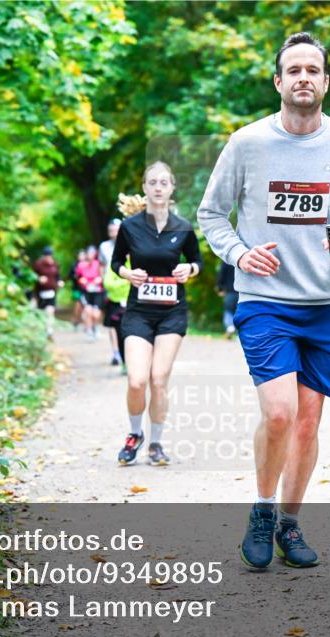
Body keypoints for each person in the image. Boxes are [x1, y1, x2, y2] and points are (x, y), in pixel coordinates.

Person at [198, 32, 330, 569]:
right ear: (278, 82)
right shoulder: (247, 142)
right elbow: (211, 215)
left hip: (326, 305)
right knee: (279, 414)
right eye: (292, 69)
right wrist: (239, 255)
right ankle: (262, 507)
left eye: (312, 70)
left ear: (325, 82)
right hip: (265, 301)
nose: (303, 77)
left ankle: (290, 525)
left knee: (307, 422)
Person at [111, 161, 202, 466]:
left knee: (158, 378)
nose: (159, 187)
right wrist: (127, 274)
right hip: (138, 311)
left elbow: (196, 261)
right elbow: (115, 263)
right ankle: (135, 434)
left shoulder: (183, 226)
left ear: (172, 188)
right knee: (137, 380)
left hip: (172, 313)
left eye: (164, 182)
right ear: (145, 188)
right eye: (153, 182)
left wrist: (189, 269)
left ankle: (157, 443)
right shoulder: (130, 227)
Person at [100, 220, 125, 365]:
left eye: (117, 230)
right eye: (111, 231)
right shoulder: (104, 246)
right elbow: (101, 265)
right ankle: (116, 352)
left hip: (128, 284)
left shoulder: (129, 242)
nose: (114, 233)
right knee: (112, 322)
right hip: (111, 285)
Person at [32, 246, 61, 341]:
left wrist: (60, 282)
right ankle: (42, 331)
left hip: (52, 292)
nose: (48, 257)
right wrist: (38, 279)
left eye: (50, 255)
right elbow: (32, 276)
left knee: (50, 311)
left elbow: (58, 276)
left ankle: (49, 331)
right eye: (47, 255)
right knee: (42, 313)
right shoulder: (38, 265)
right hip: (41, 293)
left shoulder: (55, 264)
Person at [76, 245, 104, 339]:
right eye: (89, 253)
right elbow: (77, 277)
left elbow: (103, 276)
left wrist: (99, 279)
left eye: (93, 253)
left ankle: (95, 327)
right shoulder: (81, 265)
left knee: (95, 314)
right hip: (86, 292)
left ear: (95, 254)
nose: (90, 255)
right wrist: (81, 280)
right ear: (86, 254)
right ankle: (89, 331)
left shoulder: (99, 264)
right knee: (88, 311)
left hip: (97, 292)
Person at [216, 261, 239, 338]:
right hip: (244, 292)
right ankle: (239, 332)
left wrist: (220, 288)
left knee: (228, 310)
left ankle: (230, 327)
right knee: (240, 311)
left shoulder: (226, 261)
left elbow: (221, 274)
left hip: (230, 291)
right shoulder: (248, 256)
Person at [68, 249, 86, 331]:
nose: (81, 257)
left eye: (83, 255)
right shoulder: (74, 265)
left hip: (86, 289)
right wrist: (75, 276)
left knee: (84, 306)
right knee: (78, 305)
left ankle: (84, 323)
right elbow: (69, 276)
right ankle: (75, 321)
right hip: (76, 289)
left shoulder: (88, 264)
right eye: (80, 255)